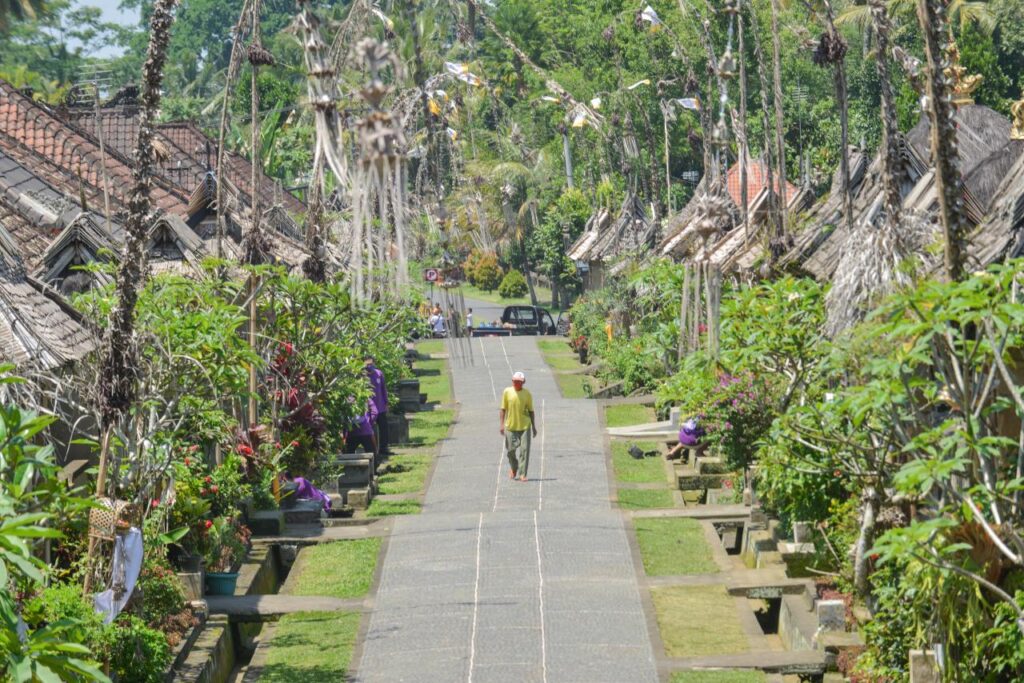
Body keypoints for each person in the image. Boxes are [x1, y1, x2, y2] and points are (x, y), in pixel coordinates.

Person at [499, 371, 537, 482]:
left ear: (523, 382)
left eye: (519, 382)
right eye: (515, 381)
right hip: (511, 426)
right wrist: (501, 424)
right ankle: (514, 468)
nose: (516, 383)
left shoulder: (527, 394)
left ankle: (522, 473)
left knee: (524, 450)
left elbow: (531, 411)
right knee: (511, 451)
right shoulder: (507, 392)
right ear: (512, 381)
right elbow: (502, 409)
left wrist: (533, 427)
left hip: (525, 426)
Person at [365, 355, 391, 456]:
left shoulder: (379, 374)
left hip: (380, 407)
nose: (369, 366)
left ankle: (384, 448)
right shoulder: (363, 376)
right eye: (367, 364)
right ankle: (372, 450)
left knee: (384, 428)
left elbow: (383, 389)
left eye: (371, 364)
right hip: (369, 409)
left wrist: (386, 403)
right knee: (369, 430)